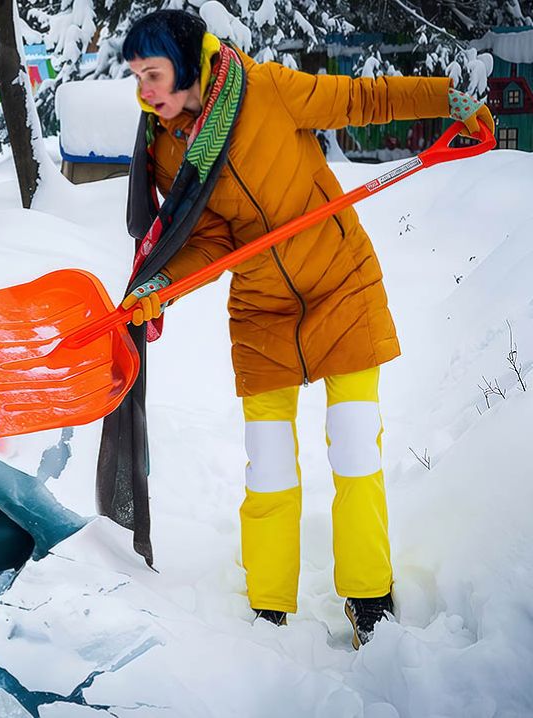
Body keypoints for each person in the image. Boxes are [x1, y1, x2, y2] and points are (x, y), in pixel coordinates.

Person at [113, 9, 493, 648]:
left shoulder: (266, 89)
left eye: (153, 74)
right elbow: (208, 239)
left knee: (355, 447)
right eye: (137, 77)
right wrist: (162, 284)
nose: (144, 91)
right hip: (262, 310)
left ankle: (369, 598)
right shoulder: (167, 147)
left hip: (341, 285)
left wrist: (444, 98)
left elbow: (362, 100)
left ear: (188, 64)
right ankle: (269, 607)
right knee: (267, 464)